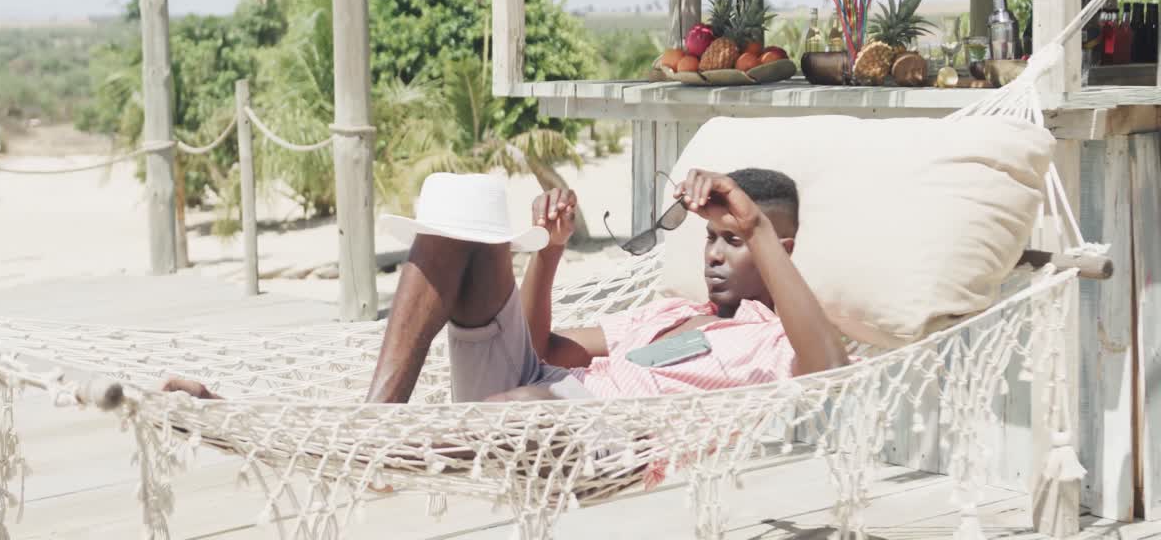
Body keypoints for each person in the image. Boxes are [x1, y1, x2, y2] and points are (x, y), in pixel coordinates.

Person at [163, 168, 851, 404]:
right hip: (537, 388)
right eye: (711, 237)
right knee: (462, 206)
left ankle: (359, 440)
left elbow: (828, 372)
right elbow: (545, 343)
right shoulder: (668, 313)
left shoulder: (777, 341)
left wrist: (752, 222)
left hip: (599, 434)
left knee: (525, 402)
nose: (716, 255)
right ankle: (378, 413)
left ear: (778, 247)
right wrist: (548, 256)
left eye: (734, 241)